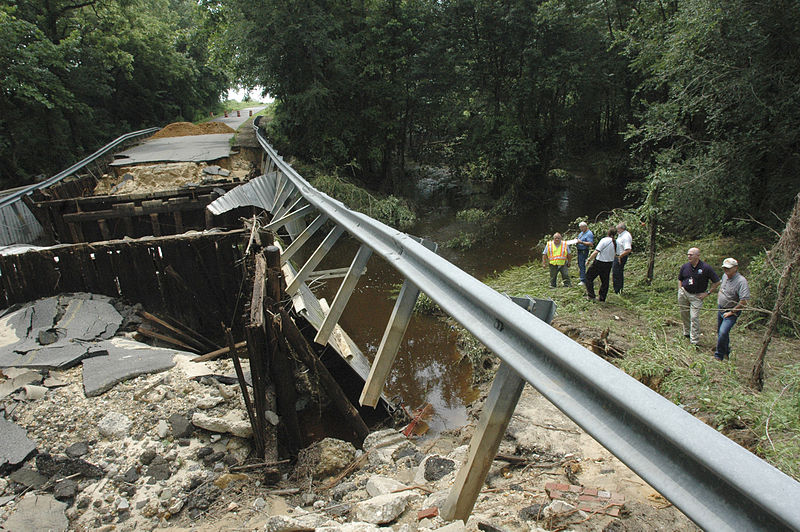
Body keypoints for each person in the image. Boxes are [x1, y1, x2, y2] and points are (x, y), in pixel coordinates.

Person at [678, 248, 721, 345]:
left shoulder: (706, 268)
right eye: (688, 254)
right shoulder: (685, 267)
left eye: (691, 254)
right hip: (684, 293)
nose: (689, 256)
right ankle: (687, 332)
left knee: (694, 317)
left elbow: (717, 282)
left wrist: (707, 293)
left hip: (697, 296)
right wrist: (680, 290)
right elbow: (680, 279)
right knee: (684, 314)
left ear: (697, 255)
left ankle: (694, 340)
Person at [714, 258, 750, 361]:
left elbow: (744, 301)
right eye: (724, 268)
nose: (726, 270)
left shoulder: (741, 281)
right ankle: (726, 351)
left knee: (723, 332)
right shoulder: (725, 276)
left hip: (731, 311)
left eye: (728, 268)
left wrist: (732, 312)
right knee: (720, 332)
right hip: (721, 309)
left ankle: (719, 355)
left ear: (735, 268)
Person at [584, 227, 616, 302]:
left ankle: (591, 295)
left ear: (608, 233)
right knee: (605, 281)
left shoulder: (604, 240)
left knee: (588, 277)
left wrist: (589, 259)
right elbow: (616, 254)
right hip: (609, 263)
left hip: (599, 262)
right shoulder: (615, 242)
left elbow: (596, 251)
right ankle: (602, 298)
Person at [612, 222, 632, 294]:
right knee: (616, 272)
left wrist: (620, 257)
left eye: (618, 229)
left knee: (617, 273)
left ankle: (618, 290)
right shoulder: (621, 235)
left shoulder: (626, 236)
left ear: (622, 229)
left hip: (621, 256)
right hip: (618, 255)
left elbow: (628, 249)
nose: (617, 231)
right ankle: (617, 289)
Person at [575, 222, 594, 286]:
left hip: (584, 251)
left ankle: (583, 280)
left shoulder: (589, 234)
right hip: (579, 250)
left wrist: (582, 242)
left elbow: (591, 243)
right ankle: (582, 276)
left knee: (583, 264)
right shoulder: (581, 233)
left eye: (581, 227)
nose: (581, 229)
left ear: (585, 227)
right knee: (580, 264)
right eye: (580, 227)